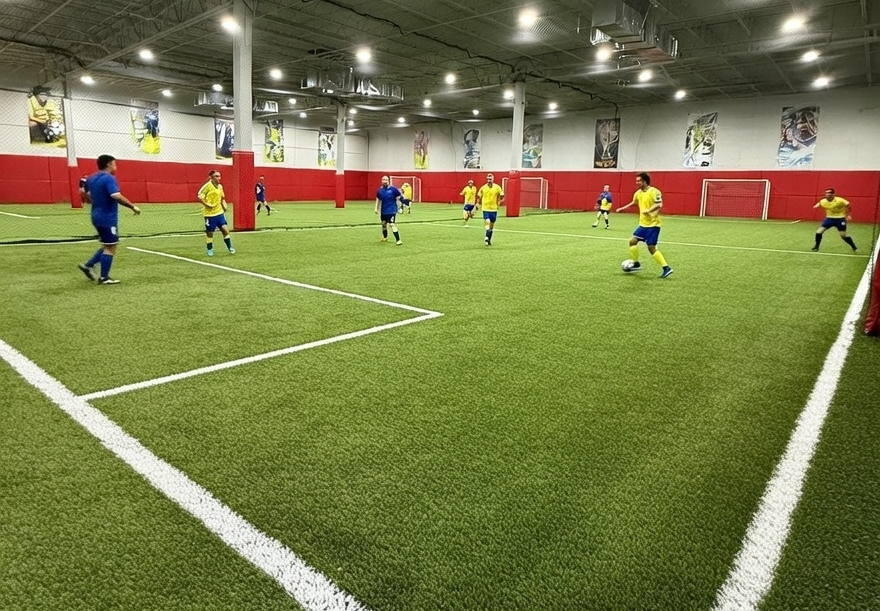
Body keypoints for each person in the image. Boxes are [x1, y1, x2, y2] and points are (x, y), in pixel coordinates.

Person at [77, 155, 140, 285]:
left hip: (95, 215)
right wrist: (132, 206)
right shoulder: (109, 178)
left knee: (107, 244)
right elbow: (116, 196)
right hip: (107, 217)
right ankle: (104, 277)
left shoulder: (92, 178)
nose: (115, 167)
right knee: (111, 246)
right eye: (114, 164)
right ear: (108, 164)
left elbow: (87, 196)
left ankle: (89, 265)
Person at [615, 172, 673, 278]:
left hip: (653, 225)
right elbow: (633, 202)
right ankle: (636, 263)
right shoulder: (638, 193)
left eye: (639, 181)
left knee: (651, 248)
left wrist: (649, 211)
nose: (637, 183)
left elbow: (659, 204)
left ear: (645, 181)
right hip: (643, 224)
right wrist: (622, 208)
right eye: (636, 181)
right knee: (632, 241)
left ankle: (666, 268)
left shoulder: (654, 191)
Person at [198, 169, 235, 256]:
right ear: (211, 177)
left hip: (219, 213)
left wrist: (224, 205)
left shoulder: (220, 187)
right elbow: (200, 196)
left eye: (219, 176)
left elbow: (222, 198)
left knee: (225, 230)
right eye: (216, 176)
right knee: (210, 233)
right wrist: (207, 205)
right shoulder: (207, 186)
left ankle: (230, 247)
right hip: (210, 214)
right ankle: (210, 249)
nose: (219, 178)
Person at [476, 173, 504, 246]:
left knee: (491, 226)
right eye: (488, 179)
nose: (489, 181)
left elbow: (502, 196)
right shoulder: (483, 188)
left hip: (494, 209)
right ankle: (486, 237)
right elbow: (479, 196)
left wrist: (499, 202)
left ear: (493, 179)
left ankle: (488, 239)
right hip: (485, 208)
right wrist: (478, 204)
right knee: (487, 221)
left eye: (490, 179)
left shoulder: (497, 187)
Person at [375, 175, 402, 245]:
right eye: (383, 180)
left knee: (392, 224)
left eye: (386, 180)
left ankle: (398, 240)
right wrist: (376, 208)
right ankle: (385, 237)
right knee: (383, 224)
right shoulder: (380, 190)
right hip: (384, 211)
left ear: (389, 181)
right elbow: (378, 199)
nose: (384, 181)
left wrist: (400, 207)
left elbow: (399, 197)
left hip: (392, 211)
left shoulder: (393, 189)